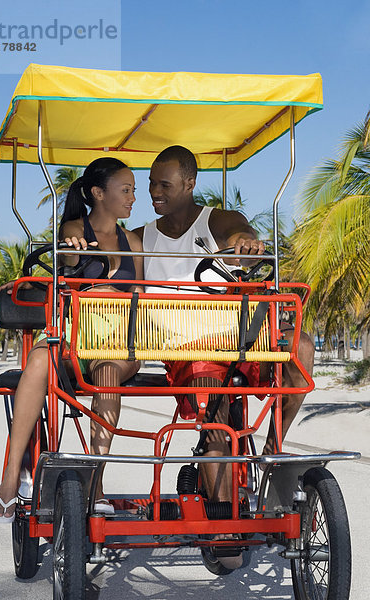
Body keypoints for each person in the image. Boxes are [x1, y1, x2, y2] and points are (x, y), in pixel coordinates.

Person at [134, 145, 315, 505]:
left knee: (303, 346)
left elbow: (239, 231)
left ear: (189, 184)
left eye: (164, 185)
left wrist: (243, 243)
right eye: (151, 183)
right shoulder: (140, 237)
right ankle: (221, 517)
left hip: (235, 339)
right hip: (183, 347)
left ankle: (272, 447)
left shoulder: (216, 220)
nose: (155, 192)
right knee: (213, 405)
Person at [0, 157, 143, 523]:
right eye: (126, 190)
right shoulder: (75, 227)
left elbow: (140, 296)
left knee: (108, 369)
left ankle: (97, 485)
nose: (134, 197)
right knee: (40, 360)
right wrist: (72, 248)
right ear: (98, 193)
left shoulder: (134, 241)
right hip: (76, 333)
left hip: (118, 340)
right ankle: (10, 478)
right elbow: (70, 252)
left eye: (134, 190)